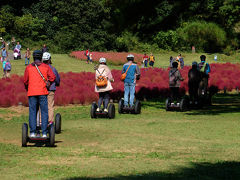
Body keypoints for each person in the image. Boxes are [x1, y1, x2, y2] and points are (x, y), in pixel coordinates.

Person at [24, 50, 56, 138]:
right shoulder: (46, 67)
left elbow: (25, 81)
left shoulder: (29, 67)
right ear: (41, 57)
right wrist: (48, 82)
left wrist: (27, 88)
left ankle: (33, 132)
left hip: (32, 92)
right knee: (44, 112)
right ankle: (44, 133)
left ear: (33, 57)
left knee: (33, 112)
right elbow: (53, 77)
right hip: (42, 92)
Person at [42, 52, 60, 123]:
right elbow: (57, 79)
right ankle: (50, 121)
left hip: (42, 90)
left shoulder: (40, 68)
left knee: (41, 106)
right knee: (50, 106)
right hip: (51, 89)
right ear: (49, 59)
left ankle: (41, 121)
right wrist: (57, 84)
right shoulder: (53, 68)